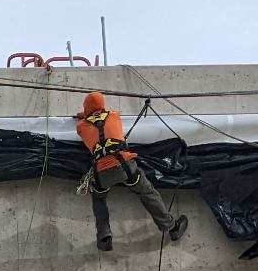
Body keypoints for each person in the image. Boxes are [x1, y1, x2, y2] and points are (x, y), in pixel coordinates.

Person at [73, 91, 188, 252]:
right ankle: (171, 227)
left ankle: (104, 236)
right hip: (125, 167)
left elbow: (87, 121)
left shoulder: (81, 126)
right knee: (147, 193)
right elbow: (104, 120)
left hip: (102, 173)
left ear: (86, 108)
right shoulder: (114, 116)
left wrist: (84, 116)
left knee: (99, 199)